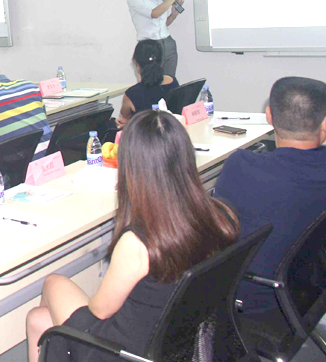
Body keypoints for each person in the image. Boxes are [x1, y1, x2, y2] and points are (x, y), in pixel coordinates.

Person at [25, 110, 239, 362]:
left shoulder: (139, 242)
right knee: (39, 320)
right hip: (174, 342)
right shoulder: (221, 215)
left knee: (53, 283)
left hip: (124, 352)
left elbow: (100, 310)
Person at [215, 76, 326, 314]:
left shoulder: (240, 166)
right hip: (308, 293)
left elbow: (215, 234)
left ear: (269, 116)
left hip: (250, 300)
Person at [126, 0, 185, 79]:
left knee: (170, 82)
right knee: (151, 83)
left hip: (168, 43)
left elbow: (163, 23)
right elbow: (155, 13)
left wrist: (173, 15)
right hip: (149, 46)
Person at [116, 40, 179, 128]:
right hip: (173, 133)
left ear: (137, 64)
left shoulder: (131, 94)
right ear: (161, 63)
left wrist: (128, 123)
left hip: (145, 135)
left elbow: (125, 118)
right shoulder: (173, 82)